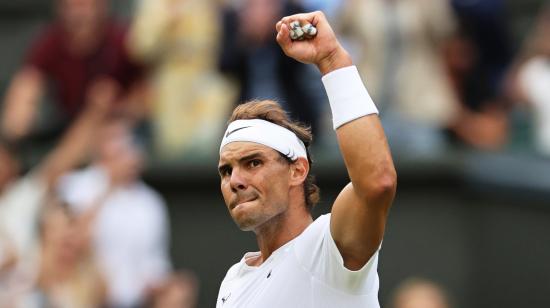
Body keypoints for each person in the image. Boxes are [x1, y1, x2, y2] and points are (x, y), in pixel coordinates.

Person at [216, 11, 396, 307]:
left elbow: (378, 181)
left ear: (297, 170)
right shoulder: (234, 280)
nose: (235, 181)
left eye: (253, 163)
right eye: (226, 170)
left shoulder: (325, 249)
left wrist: (332, 60)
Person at [57, 116, 172, 307]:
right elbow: (73, 240)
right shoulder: (74, 185)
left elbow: (156, 264)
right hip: (86, 293)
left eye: (125, 142)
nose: (120, 149)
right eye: (112, 140)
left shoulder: (151, 202)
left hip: (137, 300)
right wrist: (109, 186)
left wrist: (155, 284)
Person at [1, 0, 146, 144]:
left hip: (121, 130)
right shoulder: (53, 40)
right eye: (70, 6)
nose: (77, 14)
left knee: (101, 101)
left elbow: (147, 98)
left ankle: (51, 167)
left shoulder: (122, 40)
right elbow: (28, 80)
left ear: (101, 7)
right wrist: (19, 114)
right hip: (68, 124)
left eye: (84, 6)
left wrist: (119, 106)